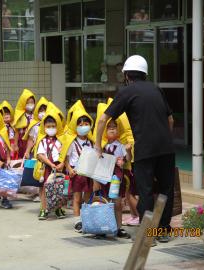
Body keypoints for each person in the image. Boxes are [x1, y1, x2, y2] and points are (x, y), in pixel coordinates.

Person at [95, 55, 175, 243]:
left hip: (145, 149)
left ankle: (147, 235)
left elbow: (102, 120)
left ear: (127, 75)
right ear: (144, 73)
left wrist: (98, 146)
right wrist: (164, 139)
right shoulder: (156, 88)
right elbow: (170, 120)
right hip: (166, 148)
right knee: (165, 189)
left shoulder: (127, 92)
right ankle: (163, 230)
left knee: (145, 190)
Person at [94, 119, 132, 238]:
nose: (111, 129)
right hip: (103, 177)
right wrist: (95, 181)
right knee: (104, 203)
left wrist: (128, 151)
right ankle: (103, 227)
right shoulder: (100, 145)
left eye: (114, 127)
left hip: (116, 178)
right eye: (108, 127)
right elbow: (95, 163)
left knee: (117, 203)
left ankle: (118, 227)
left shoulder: (121, 145)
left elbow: (127, 159)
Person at [60, 109, 94, 233]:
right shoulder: (72, 142)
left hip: (88, 173)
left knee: (88, 197)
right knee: (77, 198)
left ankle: (86, 218)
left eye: (86, 124)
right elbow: (66, 158)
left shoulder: (91, 141)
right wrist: (69, 169)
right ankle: (77, 220)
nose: (84, 127)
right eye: (80, 125)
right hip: (77, 173)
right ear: (76, 127)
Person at [35, 110, 65, 220]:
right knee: (44, 189)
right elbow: (40, 155)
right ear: (44, 127)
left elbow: (66, 154)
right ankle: (44, 209)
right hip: (47, 167)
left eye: (53, 126)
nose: (51, 128)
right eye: (48, 126)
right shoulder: (42, 141)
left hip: (59, 167)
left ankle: (58, 208)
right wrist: (51, 164)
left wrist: (62, 163)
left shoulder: (61, 140)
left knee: (59, 188)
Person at [13, 89, 36, 159]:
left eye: (32, 102)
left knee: (31, 159)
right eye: (28, 103)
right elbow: (16, 132)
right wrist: (16, 144)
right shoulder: (20, 116)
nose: (30, 105)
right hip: (22, 142)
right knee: (21, 159)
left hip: (33, 141)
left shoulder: (35, 116)